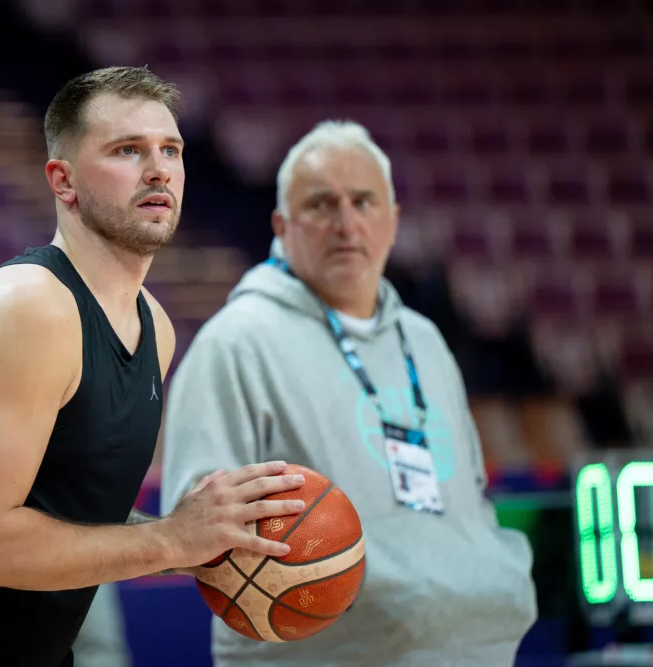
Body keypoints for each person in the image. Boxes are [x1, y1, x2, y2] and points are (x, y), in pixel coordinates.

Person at [0, 66, 306, 667]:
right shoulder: (28, 307)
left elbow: (74, 517)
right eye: (127, 150)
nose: (159, 168)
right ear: (63, 182)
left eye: (171, 149)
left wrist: (199, 535)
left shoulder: (156, 327)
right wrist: (167, 540)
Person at [160, 120, 538, 667]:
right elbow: (196, 530)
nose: (346, 223)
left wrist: (491, 569)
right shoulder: (236, 342)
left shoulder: (424, 339)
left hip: (475, 646)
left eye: (363, 202)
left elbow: (470, 494)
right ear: (281, 226)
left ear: (393, 221)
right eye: (320, 205)